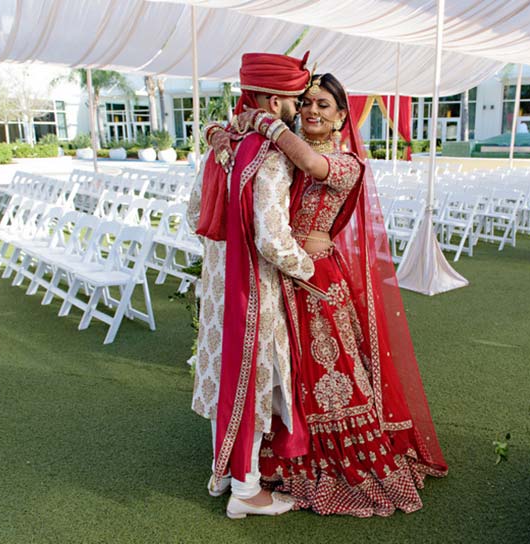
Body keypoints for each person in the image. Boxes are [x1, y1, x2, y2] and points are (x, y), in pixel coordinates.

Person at [213, 73, 448, 517]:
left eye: (323, 105)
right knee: (288, 371)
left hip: (317, 279)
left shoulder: (346, 163)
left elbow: (311, 166)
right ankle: (277, 458)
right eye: (306, 104)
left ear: (342, 116)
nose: (312, 111)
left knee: (329, 372)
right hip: (279, 272)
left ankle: (333, 460)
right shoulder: (279, 155)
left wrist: (266, 123)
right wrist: (222, 131)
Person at [186, 52, 316, 519]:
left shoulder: (221, 143)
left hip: (220, 287)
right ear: (274, 98)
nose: (299, 109)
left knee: (225, 374)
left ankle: (221, 473)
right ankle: (247, 488)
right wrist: (309, 267)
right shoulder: (271, 155)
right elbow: (271, 238)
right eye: (296, 100)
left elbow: (192, 214)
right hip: (253, 290)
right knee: (254, 377)